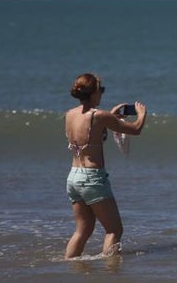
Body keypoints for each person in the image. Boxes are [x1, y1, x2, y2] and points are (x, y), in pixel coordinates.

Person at [63, 73, 148, 259]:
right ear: (93, 93)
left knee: (82, 230)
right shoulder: (99, 116)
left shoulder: (69, 114)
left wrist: (110, 115)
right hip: (92, 178)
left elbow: (91, 135)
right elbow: (135, 129)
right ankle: (110, 273)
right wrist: (141, 115)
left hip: (73, 177)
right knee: (114, 230)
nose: (101, 93)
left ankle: (68, 266)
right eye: (100, 90)